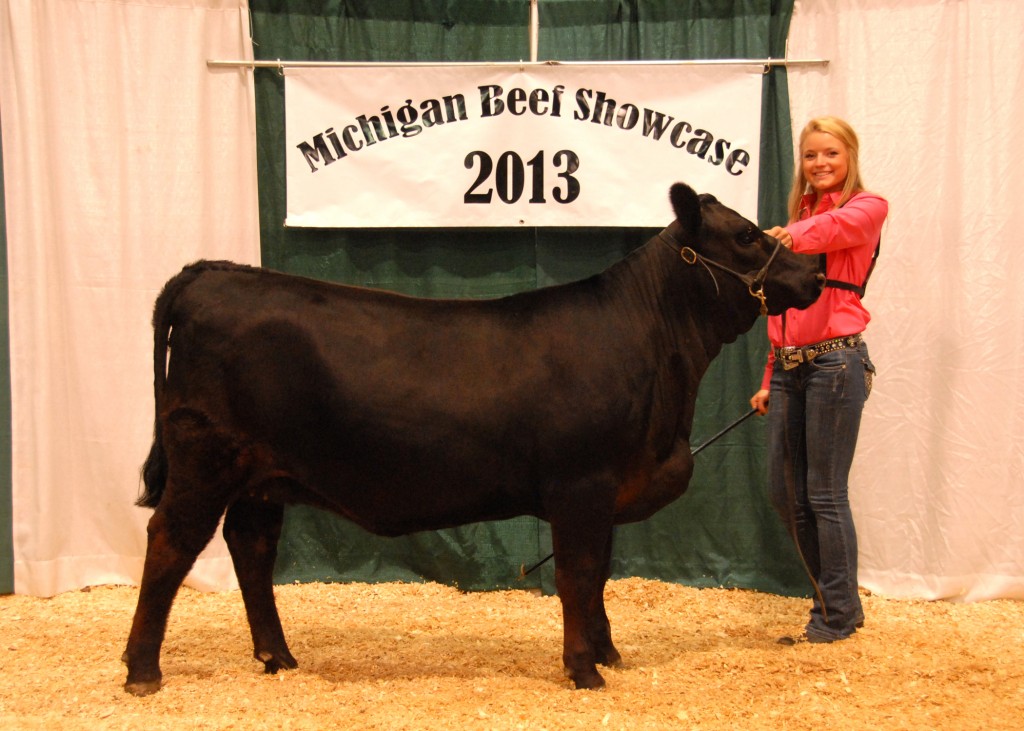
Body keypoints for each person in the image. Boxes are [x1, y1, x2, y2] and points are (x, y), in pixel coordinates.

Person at [750, 116, 888, 643]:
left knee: (824, 494)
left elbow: (835, 231)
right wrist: (768, 374)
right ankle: (834, 604)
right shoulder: (798, 214)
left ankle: (835, 616)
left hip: (836, 362)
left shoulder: (866, 208)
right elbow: (781, 308)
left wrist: (788, 236)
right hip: (789, 368)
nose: (820, 163)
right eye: (811, 155)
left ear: (849, 155)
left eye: (830, 153)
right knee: (786, 494)